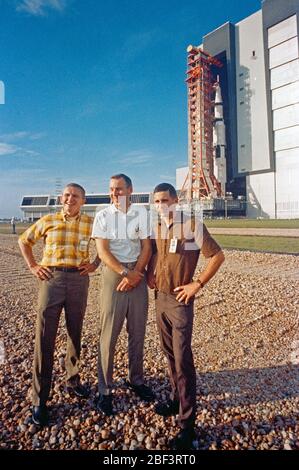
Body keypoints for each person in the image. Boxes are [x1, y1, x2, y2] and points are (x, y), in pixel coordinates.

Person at [147, 183, 225, 450]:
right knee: (169, 355)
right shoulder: (157, 226)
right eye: (156, 202)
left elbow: (217, 256)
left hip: (181, 300)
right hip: (160, 298)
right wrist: (149, 272)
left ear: (176, 200)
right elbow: (157, 252)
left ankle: (188, 426)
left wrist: (197, 284)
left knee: (182, 361)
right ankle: (175, 399)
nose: (161, 206)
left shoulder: (191, 225)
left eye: (165, 200)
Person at [18, 183, 100, 426]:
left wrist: (95, 264)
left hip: (78, 280)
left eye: (75, 196)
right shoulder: (48, 219)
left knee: (75, 332)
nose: (70, 199)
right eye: (66, 195)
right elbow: (25, 241)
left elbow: (108, 244)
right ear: (60, 198)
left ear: (83, 201)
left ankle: (73, 381)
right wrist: (33, 265)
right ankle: (40, 399)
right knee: (45, 336)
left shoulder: (90, 223)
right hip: (51, 279)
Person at [92, 173, 154, 415]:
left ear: (130, 190)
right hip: (114, 274)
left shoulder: (141, 213)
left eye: (118, 189)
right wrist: (124, 273)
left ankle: (135, 379)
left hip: (137, 273)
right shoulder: (103, 215)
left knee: (137, 331)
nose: (114, 193)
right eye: (111, 189)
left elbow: (147, 246)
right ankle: (104, 389)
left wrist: (137, 273)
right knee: (108, 334)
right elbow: (103, 250)